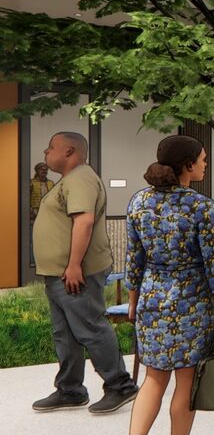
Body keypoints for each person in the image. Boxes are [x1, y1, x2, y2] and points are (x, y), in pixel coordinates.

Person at [118, 135, 214, 435]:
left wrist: (132, 301)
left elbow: (134, 259)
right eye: (202, 159)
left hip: (152, 300)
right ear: (187, 165)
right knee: (186, 379)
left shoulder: (139, 203)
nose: (205, 164)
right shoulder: (202, 207)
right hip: (191, 302)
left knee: (154, 378)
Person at [32, 131, 138, 416]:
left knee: (90, 327)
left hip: (75, 273)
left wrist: (74, 264)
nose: (45, 152)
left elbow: (85, 220)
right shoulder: (69, 180)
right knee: (65, 333)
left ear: (69, 151)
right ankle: (70, 389)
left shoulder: (80, 178)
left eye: (51, 147)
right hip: (60, 274)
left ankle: (120, 385)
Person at [29, 161, 53, 265]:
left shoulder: (51, 183)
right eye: (41, 169)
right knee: (34, 237)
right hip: (35, 212)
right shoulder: (31, 183)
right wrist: (30, 210)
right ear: (37, 171)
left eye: (46, 169)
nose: (44, 171)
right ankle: (34, 260)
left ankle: (47, 260)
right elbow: (26, 198)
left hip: (49, 214)